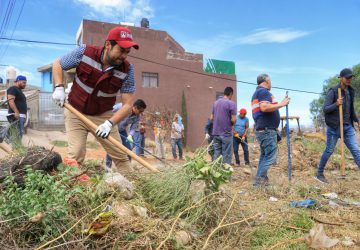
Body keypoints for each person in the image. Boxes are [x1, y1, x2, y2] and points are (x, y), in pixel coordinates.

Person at [52, 26, 139, 173]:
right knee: (75, 155)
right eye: (121, 50)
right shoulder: (84, 52)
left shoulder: (127, 70)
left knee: (120, 156)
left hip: (103, 116)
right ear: (108, 45)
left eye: (127, 52)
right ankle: (71, 189)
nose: (124, 55)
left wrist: (109, 124)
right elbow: (58, 64)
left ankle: (135, 190)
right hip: (75, 111)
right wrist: (59, 87)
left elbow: (128, 105)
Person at [315, 68, 360, 183]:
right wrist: (336, 104)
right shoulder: (333, 91)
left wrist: (357, 120)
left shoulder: (351, 91)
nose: (349, 79)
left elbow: (351, 109)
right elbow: (325, 109)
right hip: (334, 127)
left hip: (348, 127)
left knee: (356, 150)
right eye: (347, 77)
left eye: (351, 77)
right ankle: (319, 173)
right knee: (329, 150)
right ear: (341, 78)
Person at [251, 74, 289, 187]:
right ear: (266, 81)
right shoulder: (263, 92)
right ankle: (259, 182)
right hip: (267, 130)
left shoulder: (257, 93)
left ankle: (261, 180)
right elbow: (264, 108)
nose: (271, 83)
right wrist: (282, 104)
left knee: (265, 155)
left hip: (264, 129)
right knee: (271, 156)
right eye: (270, 81)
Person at [105, 99, 146, 168]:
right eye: (140, 111)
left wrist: (130, 135)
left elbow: (133, 128)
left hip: (122, 131)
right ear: (135, 107)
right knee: (112, 147)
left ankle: (128, 168)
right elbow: (108, 112)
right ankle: (108, 167)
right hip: (112, 129)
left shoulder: (137, 117)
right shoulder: (122, 106)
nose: (141, 113)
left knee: (128, 150)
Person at [212, 87, 236, 165]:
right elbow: (233, 119)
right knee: (227, 155)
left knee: (217, 154)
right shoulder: (231, 103)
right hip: (226, 133)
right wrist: (231, 124)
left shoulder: (215, 103)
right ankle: (225, 174)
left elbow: (211, 117)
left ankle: (215, 172)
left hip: (216, 133)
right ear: (231, 94)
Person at [6, 75, 28, 142]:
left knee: (18, 133)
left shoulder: (19, 91)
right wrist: (16, 112)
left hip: (20, 116)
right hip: (17, 116)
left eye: (25, 82)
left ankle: (15, 149)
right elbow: (11, 101)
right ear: (18, 81)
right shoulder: (13, 89)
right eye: (23, 82)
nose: (25, 84)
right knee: (17, 133)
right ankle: (15, 149)